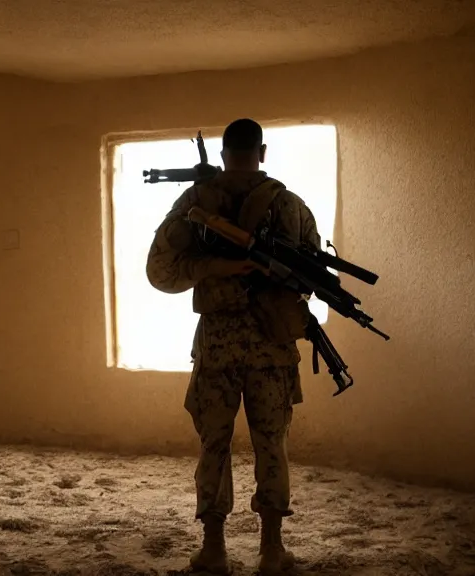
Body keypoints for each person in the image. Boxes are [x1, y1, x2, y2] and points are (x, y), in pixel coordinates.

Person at [146, 119, 321, 575]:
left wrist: (211, 268)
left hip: (218, 348)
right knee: (272, 443)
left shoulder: (195, 202)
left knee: (215, 445)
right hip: (271, 349)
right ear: (261, 152)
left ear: (224, 155)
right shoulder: (290, 206)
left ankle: (214, 549)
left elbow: (161, 272)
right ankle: (271, 551)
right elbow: (312, 280)